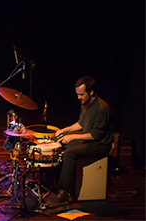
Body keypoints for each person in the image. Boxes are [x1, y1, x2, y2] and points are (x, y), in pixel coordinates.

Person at [44, 76, 113, 207]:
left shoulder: (102, 108)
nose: (79, 98)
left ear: (91, 92)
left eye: (81, 94)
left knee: (70, 153)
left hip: (100, 145)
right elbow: (81, 124)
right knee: (58, 142)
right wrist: (65, 130)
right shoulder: (86, 104)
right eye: (77, 94)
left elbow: (95, 135)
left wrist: (73, 137)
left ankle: (63, 193)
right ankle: (53, 181)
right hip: (89, 139)